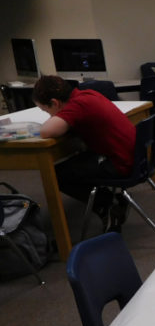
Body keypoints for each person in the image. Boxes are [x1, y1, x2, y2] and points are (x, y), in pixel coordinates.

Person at [32, 75, 136, 230]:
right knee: (77, 161)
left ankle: (107, 204)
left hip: (119, 162)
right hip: (133, 155)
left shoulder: (76, 106)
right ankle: (111, 201)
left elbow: (46, 131)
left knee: (56, 174)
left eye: (47, 111)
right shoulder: (87, 95)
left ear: (55, 102)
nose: (50, 116)